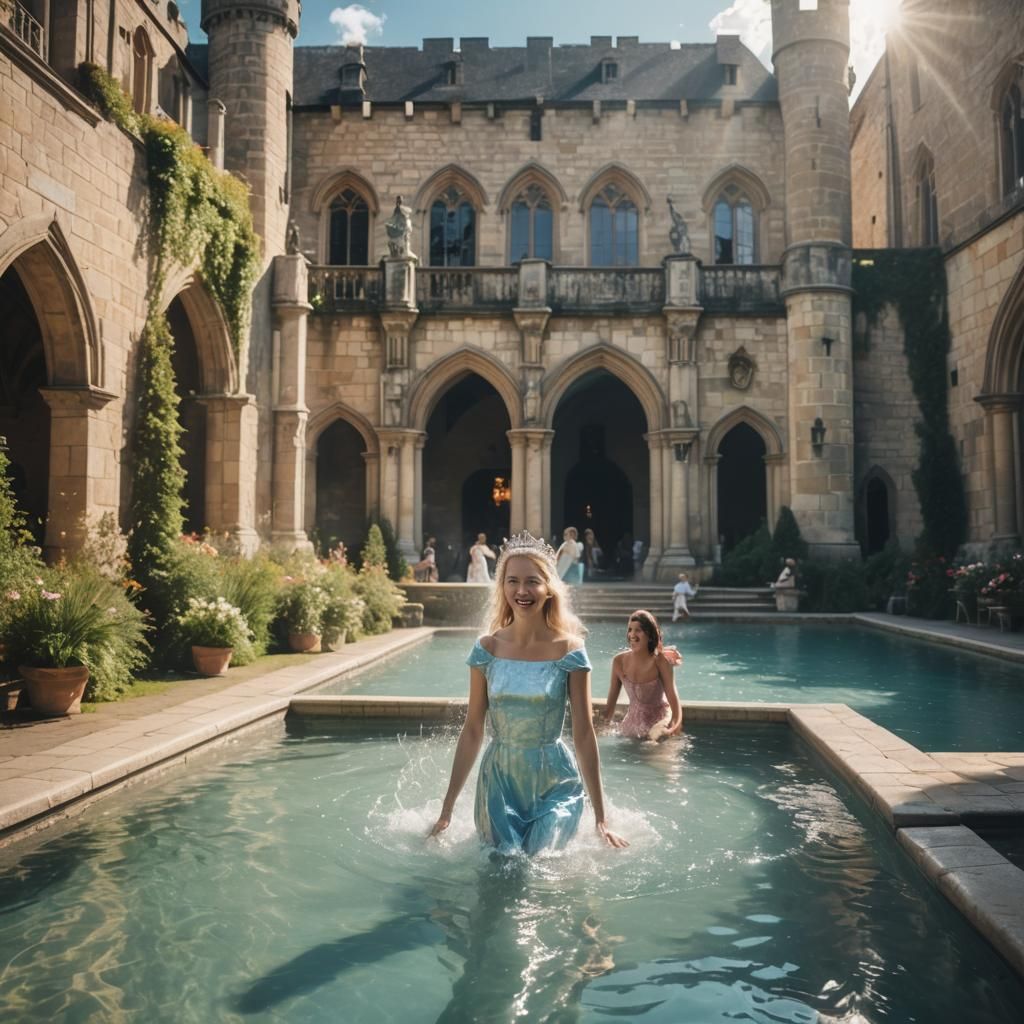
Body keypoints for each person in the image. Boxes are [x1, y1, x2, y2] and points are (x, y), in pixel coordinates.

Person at [428, 530, 628, 852]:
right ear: (502, 586)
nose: (522, 590)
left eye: (532, 581)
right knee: (504, 862)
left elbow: (583, 734)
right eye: (513, 581)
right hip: (499, 781)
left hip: (555, 781)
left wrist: (601, 818)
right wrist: (447, 810)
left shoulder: (571, 650)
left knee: (542, 858)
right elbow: (473, 730)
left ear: (548, 588)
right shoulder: (486, 649)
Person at [602, 610, 683, 741]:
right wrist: (597, 729)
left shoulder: (660, 661)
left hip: (659, 725)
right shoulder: (618, 661)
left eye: (638, 630)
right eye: (630, 630)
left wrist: (670, 729)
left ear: (650, 635)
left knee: (652, 746)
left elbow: (675, 706)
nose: (632, 634)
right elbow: (609, 710)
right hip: (631, 726)